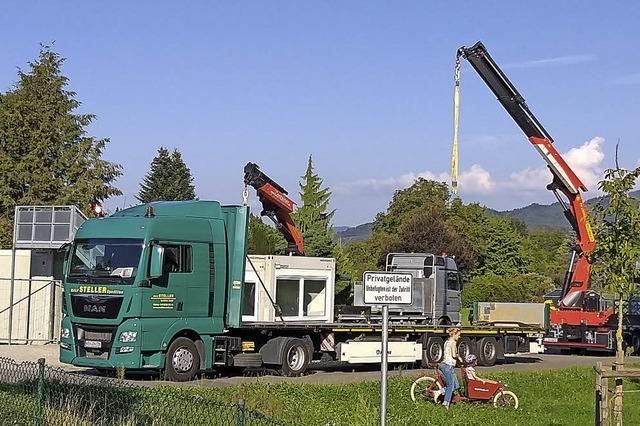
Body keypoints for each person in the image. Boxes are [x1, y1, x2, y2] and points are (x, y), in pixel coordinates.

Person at [435, 328, 463, 408]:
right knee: (450, 386)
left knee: (456, 385)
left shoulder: (447, 341)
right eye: (458, 335)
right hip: (448, 366)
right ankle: (445, 403)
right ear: (454, 334)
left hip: (447, 365)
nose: (459, 336)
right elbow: (454, 355)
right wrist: (459, 358)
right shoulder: (453, 342)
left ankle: (439, 392)